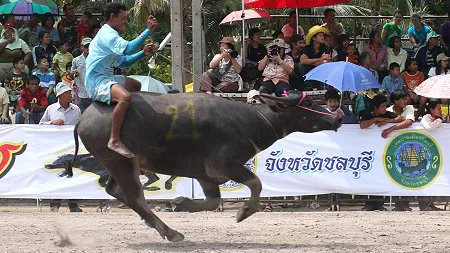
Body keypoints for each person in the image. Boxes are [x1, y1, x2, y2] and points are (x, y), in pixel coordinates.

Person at [86, 2, 158, 158]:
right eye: (124, 18)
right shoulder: (107, 34)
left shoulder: (111, 35)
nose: (126, 22)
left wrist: (143, 54)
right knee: (125, 96)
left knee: (135, 84)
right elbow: (127, 48)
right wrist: (147, 31)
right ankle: (114, 139)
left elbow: (123, 62)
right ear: (113, 17)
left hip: (107, 77)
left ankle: (127, 123)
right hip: (96, 81)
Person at [40, 82, 82, 212]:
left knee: (73, 173)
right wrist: (51, 123)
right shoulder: (51, 109)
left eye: (70, 93)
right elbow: (41, 125)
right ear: (60, 95)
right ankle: (55, 202)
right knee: (57, 173)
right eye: (67, 93)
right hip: (56, 147)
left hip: (72, 146)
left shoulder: (76, 109)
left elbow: (80, 126)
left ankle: (73, 203)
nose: (70, 95)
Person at [72, 37, 91, 113]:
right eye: (86, 46)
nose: (88, 48)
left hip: (93, 92)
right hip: (81, 92)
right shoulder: (76, 60)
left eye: (90, 46)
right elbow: (72, 74)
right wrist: (73, 73)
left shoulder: (96, 59)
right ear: (82, 47)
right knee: (80, 114)